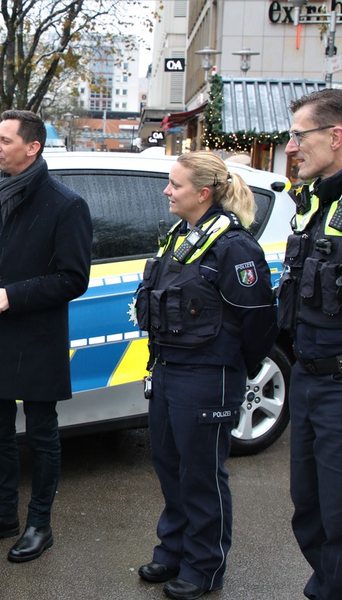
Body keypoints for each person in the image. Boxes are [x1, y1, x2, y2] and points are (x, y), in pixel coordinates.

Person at [135, 151, 277, 600]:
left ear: (202, 193)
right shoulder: (182, 236)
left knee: (201, 475)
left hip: (207, 375)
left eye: (175, 185)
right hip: (168, 369)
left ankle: (203, 567)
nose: (167, 191)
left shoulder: (235, 247)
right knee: (169, 467)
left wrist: (233, 368)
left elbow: (259, 322)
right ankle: (173, 551)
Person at [0, 110, 92, 563]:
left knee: (41, 434)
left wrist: (13, 295)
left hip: (38, 338)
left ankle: (39, 524)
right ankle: (3, 515)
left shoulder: (66, 204)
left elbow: (74, 278)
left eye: (4, 140)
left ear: (32, 147)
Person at [279, 88, 342, 600]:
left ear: (336, 136)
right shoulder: (313, 204)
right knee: (309, 506)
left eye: (300, 135)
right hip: (307, 377)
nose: (291, 147)